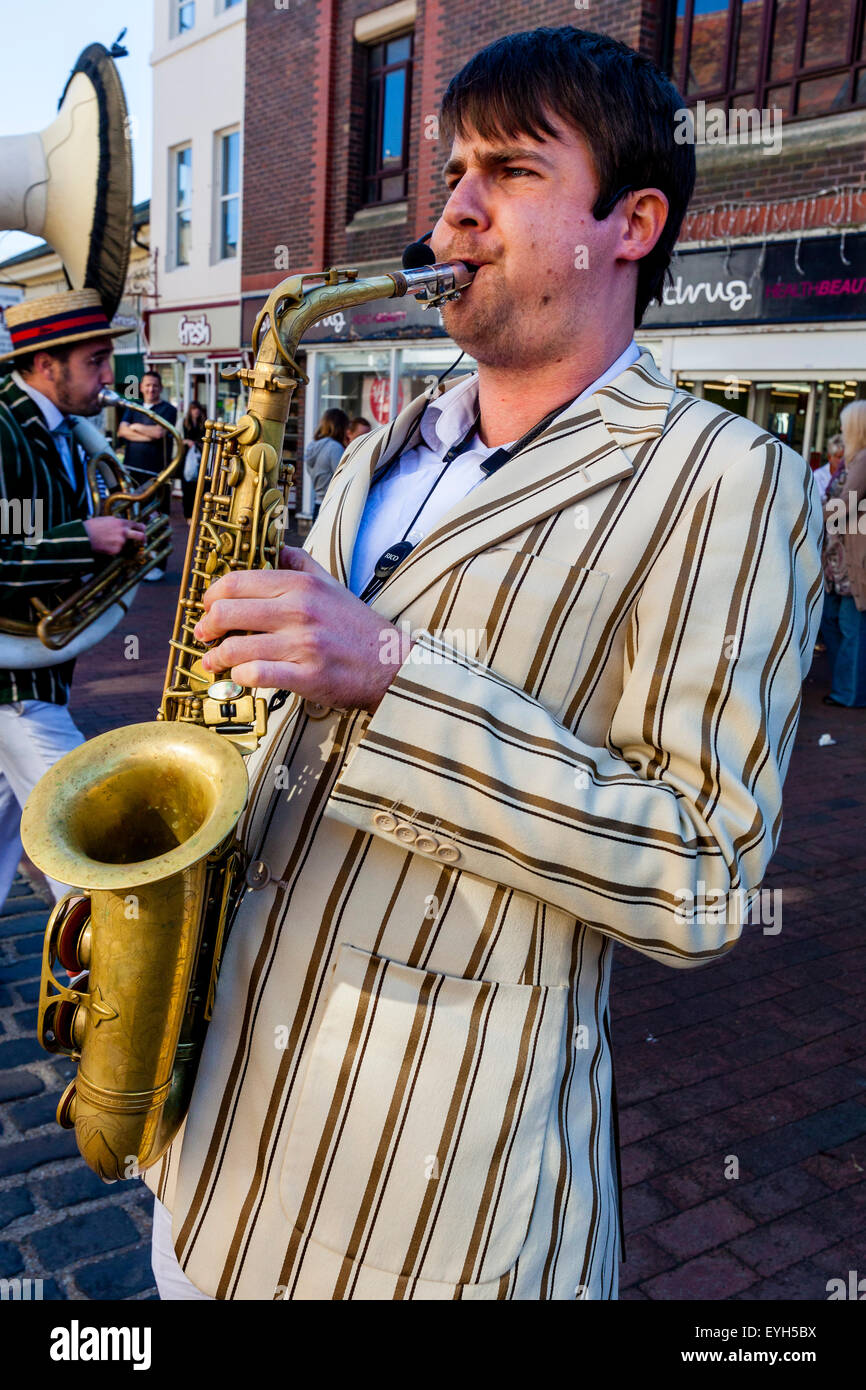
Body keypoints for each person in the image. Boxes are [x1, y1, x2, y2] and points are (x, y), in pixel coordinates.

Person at [145, 26, 823, 1301]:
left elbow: (702, 878)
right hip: (212, 1165)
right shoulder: (372, 457)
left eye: (507, 170)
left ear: (628, 222)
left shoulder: (727, 481)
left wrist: (392, 676)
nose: (451, 206)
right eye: (451, 167)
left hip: (437, 1211)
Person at [0, 289, 146, 911]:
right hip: (15, 692)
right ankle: (113, 979)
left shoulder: (61, 430)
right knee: (87, 850)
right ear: (43, 362)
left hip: (39, 674)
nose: (110, 377)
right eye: (96, 360)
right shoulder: (4, 431)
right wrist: (83, 539)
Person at [818, 402, 866, 706]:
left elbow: (845, 503)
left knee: (850, 625)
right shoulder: (853, 460)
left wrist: (811, 513)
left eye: (844, 424)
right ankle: (846, 685)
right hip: (838, 556)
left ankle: (850, 693)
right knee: (833, 619)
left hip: (852, 557)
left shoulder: (862, 461)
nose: (841, 430)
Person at [117, 370, 178, 579]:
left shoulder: (169, 409)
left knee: (158, 520)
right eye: (147, 385)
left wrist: (134, 429)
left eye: (155, 385)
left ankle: (158, 566)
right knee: (133, 519)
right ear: (141, 387)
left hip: (157, 475)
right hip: (132, 473)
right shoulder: (132, 407)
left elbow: (159, 433)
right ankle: (136, 563)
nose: (151, 389)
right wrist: (144, 432)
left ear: (160, 388)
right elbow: (121, 431)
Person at [304, 407, 349, 520]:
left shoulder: (313, 446)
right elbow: (343, 478)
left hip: (318, 504)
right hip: (330, 507)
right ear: (341, 426)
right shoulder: (334, 447)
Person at [181, 400, 207, 521]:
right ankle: (188, 515)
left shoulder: (204, 424)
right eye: (193, 409)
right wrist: (187, 442)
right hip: (186, 459)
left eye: (197, 409)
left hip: (200, 458)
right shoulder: (184, 423)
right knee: (187, 489)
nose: (196, 411)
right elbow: (178, 438)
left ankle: (195, 513)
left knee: (200, 488)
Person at [812, 433, 844, 501]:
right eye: (839, 457)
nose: (842, 461)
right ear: (829, 457)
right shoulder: (818, 476)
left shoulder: (848, 473)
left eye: (844, 457)